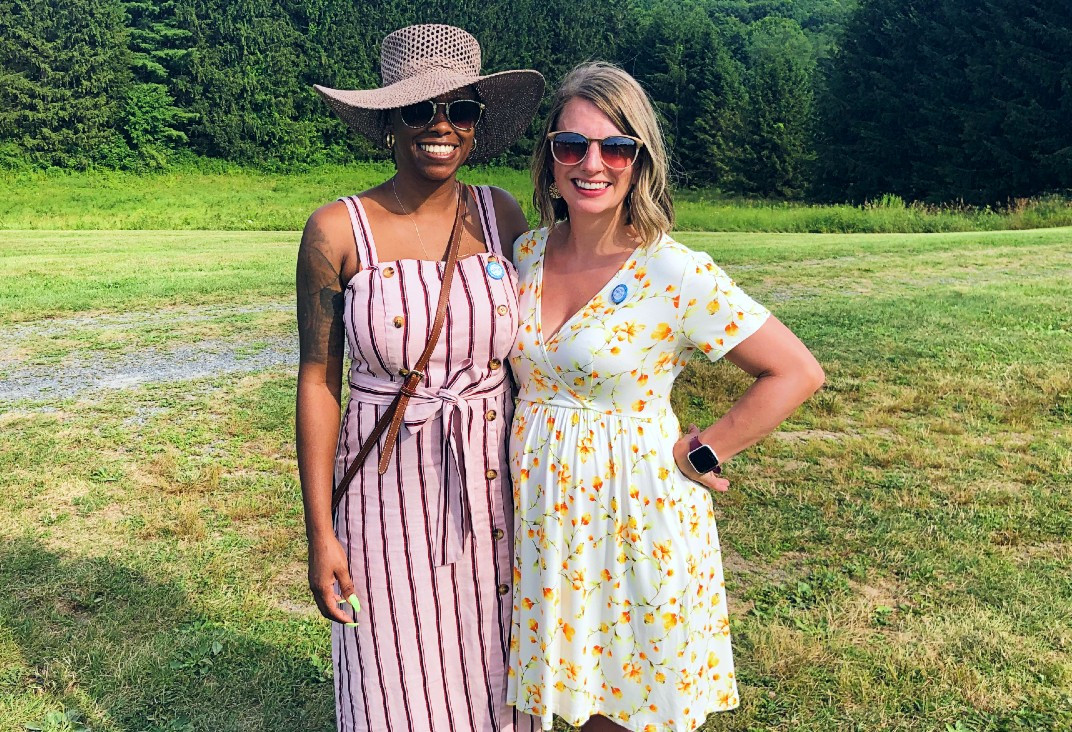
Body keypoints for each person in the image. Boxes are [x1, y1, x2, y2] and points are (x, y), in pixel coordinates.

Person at [506, 62, 826, 732]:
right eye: (573, 145)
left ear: (639, 160)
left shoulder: (673, 269)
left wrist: (704, 453)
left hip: (635, 516)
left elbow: (795, 371)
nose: (593, 164)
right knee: (569, 693)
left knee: (627, 706)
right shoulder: (526, 253)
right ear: (550, 158)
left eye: (615, 147)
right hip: (545, 519)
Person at [297, 24, 545, 732]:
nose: (441, 126)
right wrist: (321, 535)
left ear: (477, 124)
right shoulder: (336, 231)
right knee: (393, 677)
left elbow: (536, 357)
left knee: (497, 671)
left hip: (493, 486)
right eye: (419, 110)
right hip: (383, 492)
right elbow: (318, 383)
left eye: (459, 109)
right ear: (387, 122)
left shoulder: (500, 215)